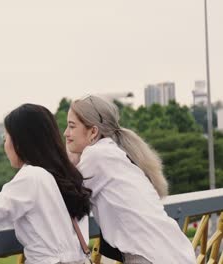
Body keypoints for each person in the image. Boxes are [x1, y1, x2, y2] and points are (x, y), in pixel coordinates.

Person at [0, 103, 92, 264]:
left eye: (5, 138)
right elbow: (33, 213)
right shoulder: (65, 175)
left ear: (19, 142)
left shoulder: (31, 177)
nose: (5, 145)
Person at [64, 95, 195, 264]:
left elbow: (63, 196)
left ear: (93, 132)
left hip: (150, 258)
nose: (66, 133)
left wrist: (70, 159)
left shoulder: (97, 155)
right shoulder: (115, 154)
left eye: (71, 126)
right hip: (173, 253)